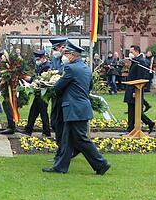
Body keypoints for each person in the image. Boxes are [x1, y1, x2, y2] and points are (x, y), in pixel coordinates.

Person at [42, 41, 111, 175]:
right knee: (68, 139)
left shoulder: (71, 69)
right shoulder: (85, 68)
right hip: (80, 107)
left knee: (80, 139)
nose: (64, 56)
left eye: (66, 53)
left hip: (74, 109)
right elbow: (89, 86)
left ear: (73, 55)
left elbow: (57, 87)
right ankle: (60, 167)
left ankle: (101, 163)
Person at [124, 45, 155, 134]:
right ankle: (130, 129)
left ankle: (149, 123)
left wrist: (135, 91)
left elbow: (141, 77)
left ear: (137, 51)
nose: (130, 54)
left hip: (136, 89)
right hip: (131, 87)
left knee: (136, 110)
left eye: (131, 52)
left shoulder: (141, 61)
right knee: (132, 110)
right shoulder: (136, 60)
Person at [20, 50, 51, 137]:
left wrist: (30, 79)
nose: (37, 61)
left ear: (43, 58)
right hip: (39, 92)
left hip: (43, 93)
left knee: (43, 112)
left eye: (38, 59)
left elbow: (42, 79)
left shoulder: (47, 67)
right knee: (33, 111)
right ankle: (28, 129)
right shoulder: (41, 66)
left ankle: (46, 131)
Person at [0, 51, 17, 135]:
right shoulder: (4, 66)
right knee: (6, 104)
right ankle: (11, 125)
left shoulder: (10, 67)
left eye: (2, 57)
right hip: (7, 90)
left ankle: (11, 127)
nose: (1, 59)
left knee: (8, 105)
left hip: (11, 90)